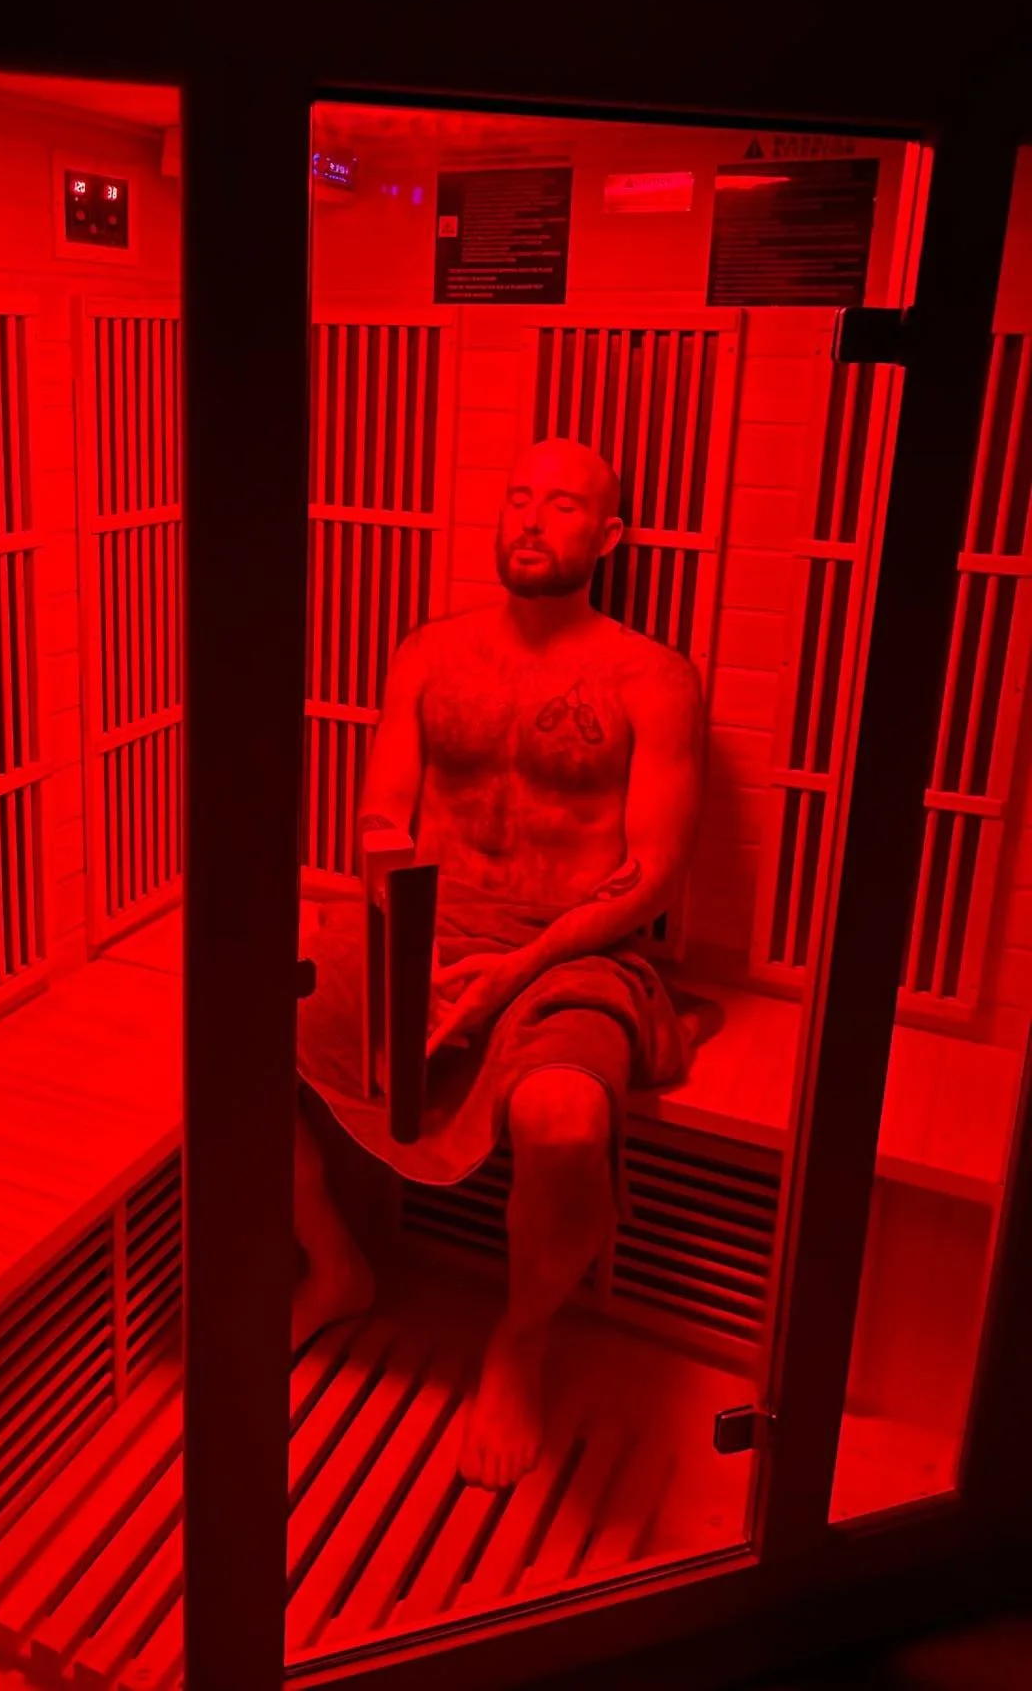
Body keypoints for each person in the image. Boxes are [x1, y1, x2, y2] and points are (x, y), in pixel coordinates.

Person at [295, 436, 708, 1489]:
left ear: (608, 537)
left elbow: (653, 870)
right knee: (228, 1025)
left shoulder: (651, 679)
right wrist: (403, 937)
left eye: (563, 504)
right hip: (423, 928)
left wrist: (515, 969)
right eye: (518, 496)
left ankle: (520, 1339)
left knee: (563, 1119)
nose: (531, 518)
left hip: (573, 948)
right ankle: (335, 1264)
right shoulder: (429, 651)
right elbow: (383, 813)